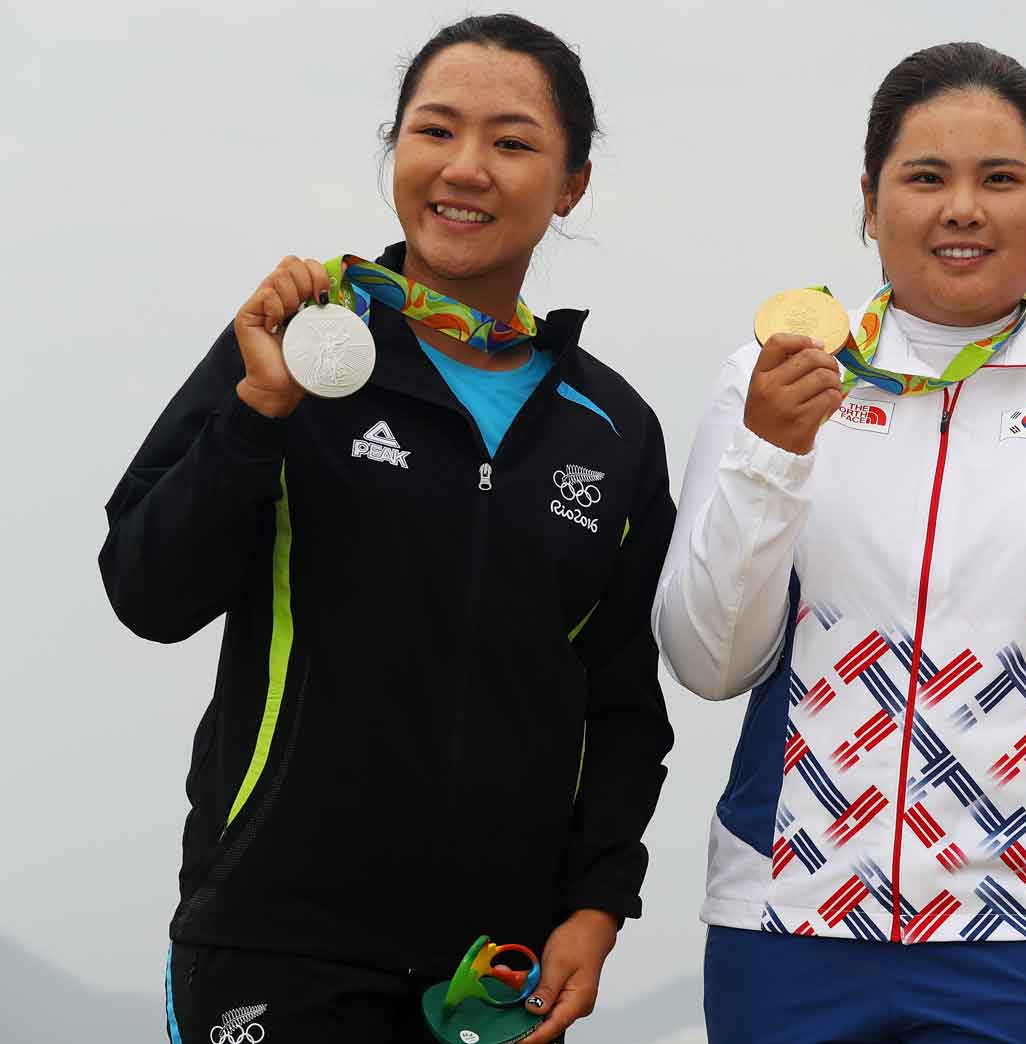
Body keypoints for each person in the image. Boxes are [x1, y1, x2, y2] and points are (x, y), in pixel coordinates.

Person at [98, 15, 674, 1043]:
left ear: (571, 181)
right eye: (434, 131)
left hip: (487, 978)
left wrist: (597, 902)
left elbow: (620, 702)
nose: (465, 169)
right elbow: (146, 590)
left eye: (511, 142)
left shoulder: (611, 429)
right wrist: (256, 414)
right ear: (394, 150)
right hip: (278, 945)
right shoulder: (295, 350)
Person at [653, 41, 1026, 1044]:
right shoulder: (775, 376)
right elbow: (708, 661)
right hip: (786, 924)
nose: (961, 207)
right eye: (925, 177)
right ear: (869, 206)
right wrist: (772, 458)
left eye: (998, 179)